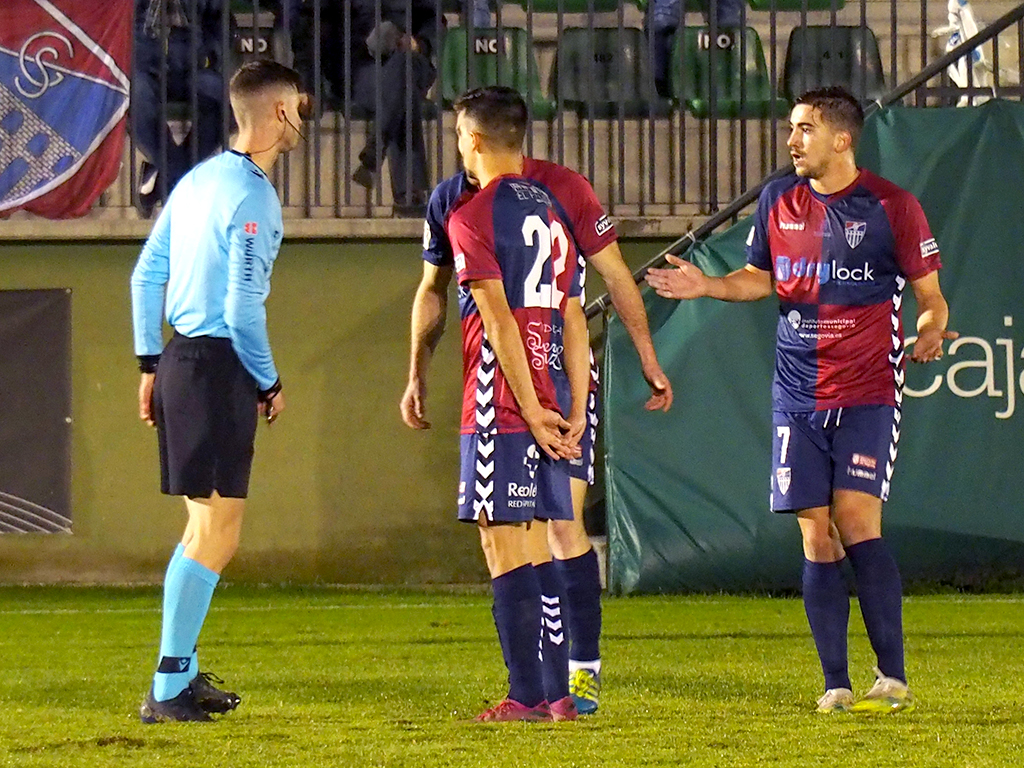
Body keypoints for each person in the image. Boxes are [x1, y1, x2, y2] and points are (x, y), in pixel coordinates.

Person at [645, 86, 956, 714]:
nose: (792, 140)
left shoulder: (892, 206)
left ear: (842, 139)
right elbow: (759, 278)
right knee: (815, 535)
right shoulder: (776, 201)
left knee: (857, 520)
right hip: (796, 395)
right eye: (792, 127)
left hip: (867, 390)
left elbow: (933, 298)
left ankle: (892, 677)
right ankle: (835, 684)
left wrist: (927, 332)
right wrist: (707, 284)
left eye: (805, 128)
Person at [401, 99, 673, 717]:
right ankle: (558, 691)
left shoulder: (540, 194)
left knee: (541, 532)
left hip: (516, 391)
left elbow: (610, 279)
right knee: (541, 529)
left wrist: (646, 357)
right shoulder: (488, 202)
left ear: (471, 137)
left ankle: (565, 682)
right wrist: (416, 371)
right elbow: (570, 307)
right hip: (558, 377)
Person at [130, 60, 305, 723]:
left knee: (201, 527)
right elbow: (240, 311)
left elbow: (148, 275)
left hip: (181, 359)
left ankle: (183, 671)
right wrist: (269, 380)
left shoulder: (198, 181)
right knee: (217, 534)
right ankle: (169, 686)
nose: (301, 121)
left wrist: (151, 364)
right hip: (216, 366)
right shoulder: (254, 196)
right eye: (298, 109)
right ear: (281, 113)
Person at [438, 86, 594, 722]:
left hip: (501, 402)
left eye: (457, 134)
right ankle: (561, 694)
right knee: (536, 545)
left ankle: (525, 694)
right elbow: (576, 318)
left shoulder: (471, 216)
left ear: (473, 139)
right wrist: (576, 409)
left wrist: (526, 408)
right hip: (558, 396)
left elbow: (498, 322)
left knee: (501, 543)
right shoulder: (552, 211)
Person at [296, 0, 439, 215]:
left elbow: (433, 18)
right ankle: (410, 195)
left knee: (405, 66)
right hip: (361, 69)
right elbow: (312, 28)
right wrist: (309, 86)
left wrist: (419, 43)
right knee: (403, 90)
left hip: (411, 60)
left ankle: (376, 154)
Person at [131, 0, 227, 217]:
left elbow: (220, 19)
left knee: (221, 99)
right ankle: (180, 182)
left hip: (193, 61)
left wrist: (213, 52)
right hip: (143, 62)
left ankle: (162, 174)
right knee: (137, 96)